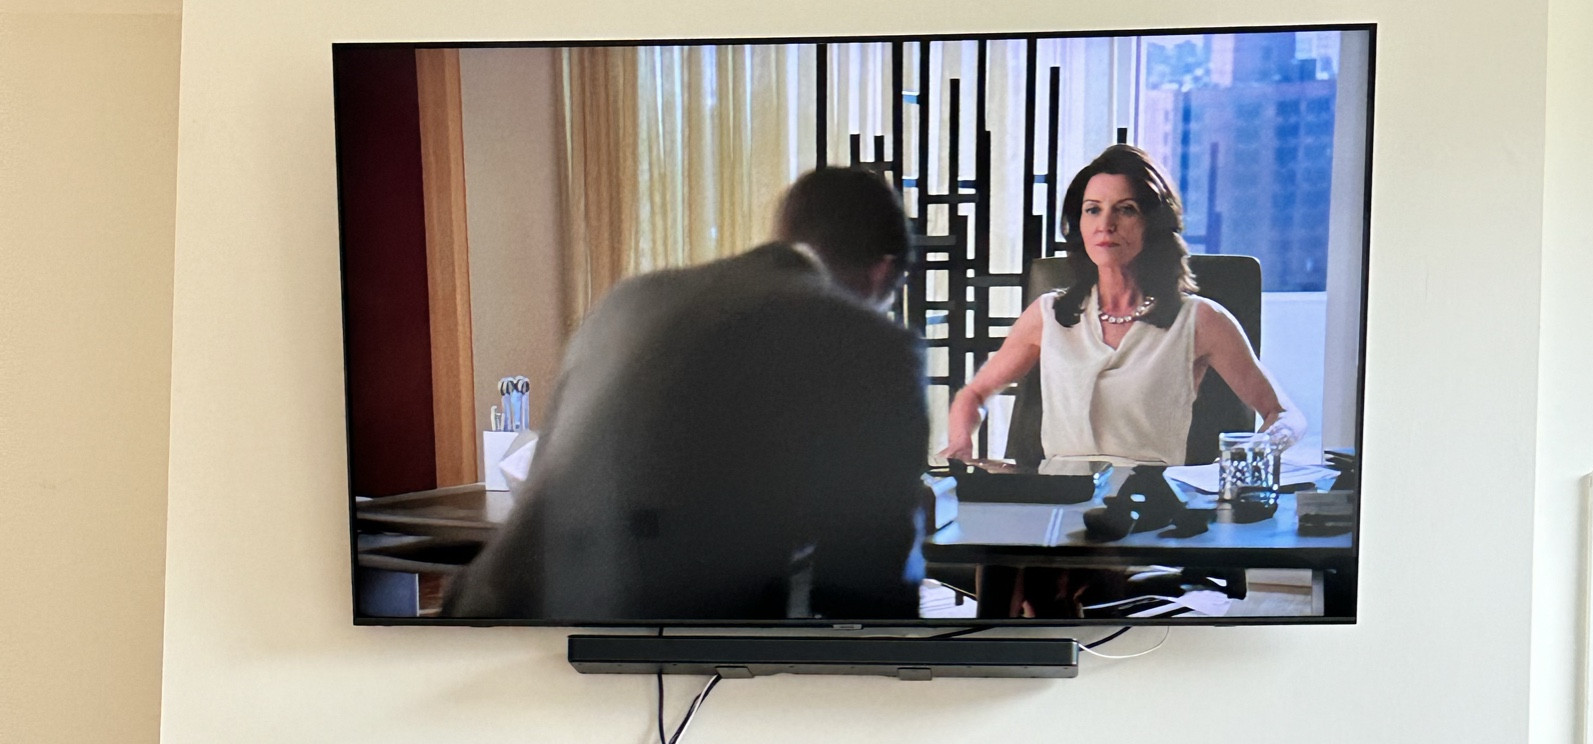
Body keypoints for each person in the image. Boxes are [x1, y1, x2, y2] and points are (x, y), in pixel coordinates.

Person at [446, 167, 929, 623]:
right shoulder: (871, 345)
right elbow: (867, 593)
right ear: (882, 273)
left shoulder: (629, 300)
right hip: (654, 656)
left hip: (488, 622)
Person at [941, 144, 1303, 469]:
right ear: (1078, 224)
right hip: (1056, 501)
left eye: (1125, 210)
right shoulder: (1048, 314)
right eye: (1092, 210)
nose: (1106, 225)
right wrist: (960, 442)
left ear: (1153, 223)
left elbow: (1285, 415)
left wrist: (1251, 457)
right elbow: (973, 394)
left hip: (1152, 506)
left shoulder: (1200, 320)